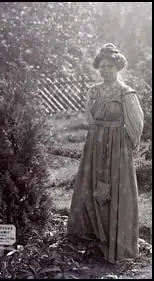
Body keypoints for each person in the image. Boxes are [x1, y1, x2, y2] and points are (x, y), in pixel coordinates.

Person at [67, 43, 144, 263]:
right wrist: (97, 137)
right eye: (102, 66)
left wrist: (125, 147)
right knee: (91, 187)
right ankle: (92, 240)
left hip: (118, 147)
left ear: (118, 67)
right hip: (94, 145)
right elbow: (89, 118)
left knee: (114, 190)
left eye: (110, 66)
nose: (105, 70)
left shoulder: (126, 92)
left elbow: (136, 125)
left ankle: (115, 243)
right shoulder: (94, 90)